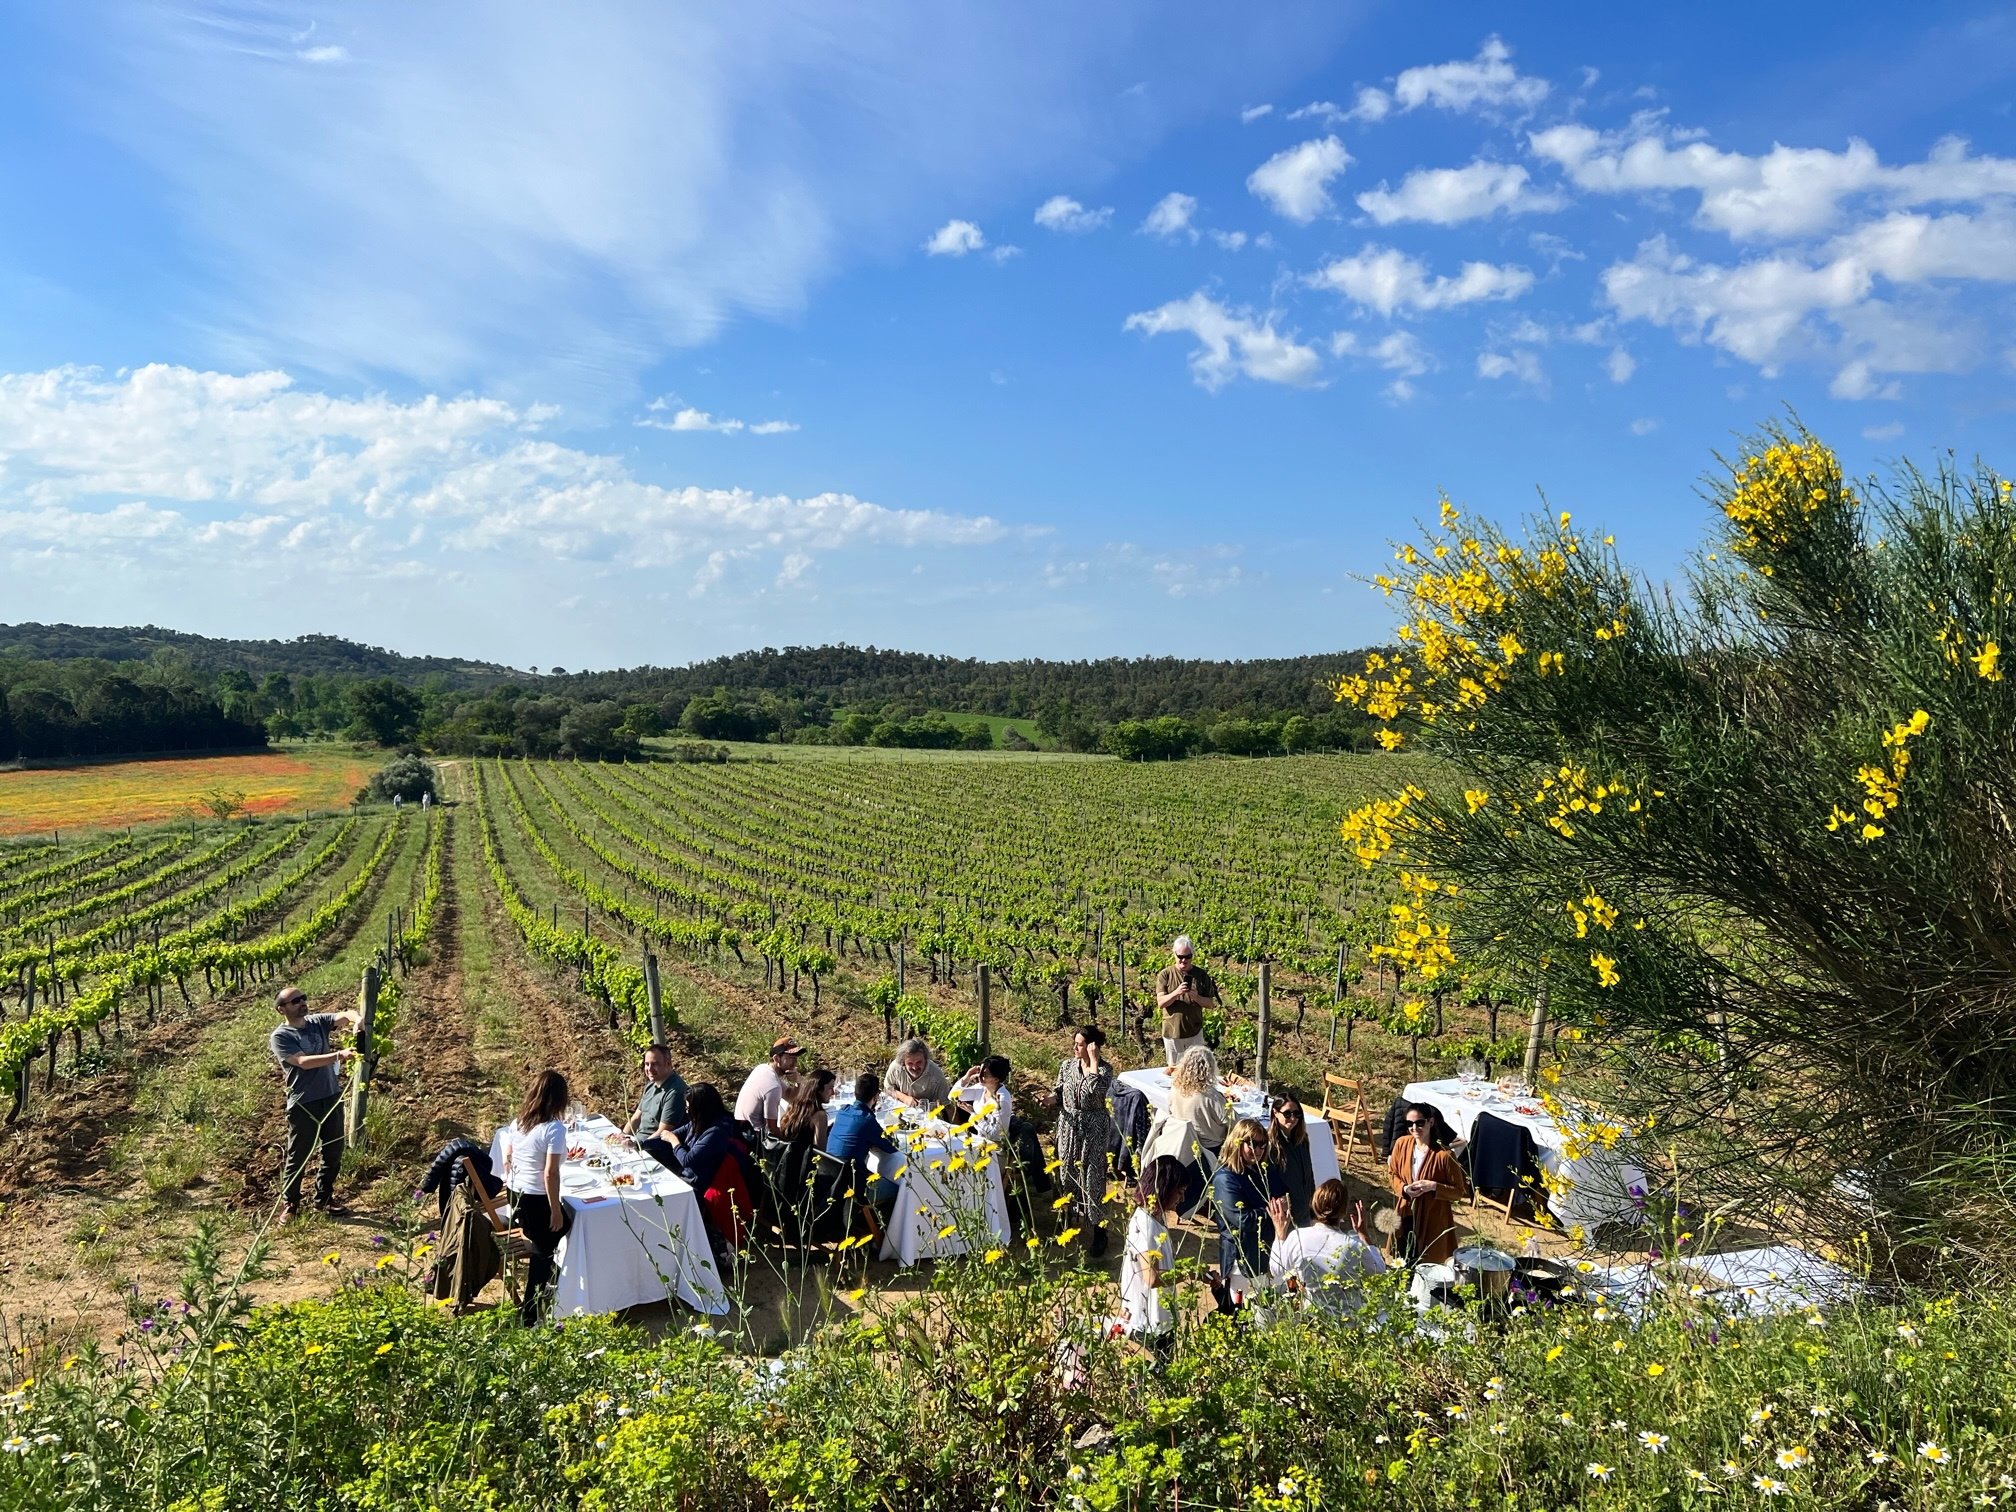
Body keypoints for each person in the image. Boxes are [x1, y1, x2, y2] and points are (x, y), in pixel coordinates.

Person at [267, 985, 361, 1220]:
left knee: (333, 1151)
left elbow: (344, 1015)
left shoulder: (317, 1022)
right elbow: (303, 1062)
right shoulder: (281, 1037)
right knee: (298, 1155)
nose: (302, 1003)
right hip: (304, 1103)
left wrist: (356, 1019)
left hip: (331, 1096)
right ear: (282, 1010)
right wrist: (338, 1055)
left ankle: (324, 1199)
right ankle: (291, 1203)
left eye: (303, 998)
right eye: (295, 1001)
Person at [501, 1068, 572, 1325]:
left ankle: (553, 1271)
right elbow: (550, 1174)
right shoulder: (553, 1129)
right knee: (548, 1244)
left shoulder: (519, 1122)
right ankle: (531, 1314)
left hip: (515, 1194)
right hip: (535, 1198)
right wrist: (554, 1208)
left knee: (561, 1228)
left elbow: (508, 1158)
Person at [1268, 1178, 1387, 1314]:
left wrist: (1280, 1232)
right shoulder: (1353, 1246)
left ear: (1314, 1204)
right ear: (1343, 1211)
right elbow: (1379, 1269)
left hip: (1313, 1319)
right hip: (1347, 1323)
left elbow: (1276, 1269)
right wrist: (1364, 1235)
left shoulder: (1298, 1237)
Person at [663, 1084, 761, 1250]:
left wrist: (674, 1142)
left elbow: (687, 1160)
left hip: (698, 1183)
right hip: (688, 1176)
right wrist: (639, 1144)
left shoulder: (716, 1131)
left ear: (700, 1109)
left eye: (689, 1108)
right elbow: (672, 1134)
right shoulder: (698, 1122)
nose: (687, 1112)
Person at [1137, 1045, 1228, 1215]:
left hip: (1182, 1145)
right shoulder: (1211, 1097)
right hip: (1209, 1150)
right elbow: (1232, 1122)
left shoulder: (1175, 1090)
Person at [1053, 1025, 1116, 1257]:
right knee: (1066, 1171)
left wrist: (1093, 1062)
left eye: (1080, 1044)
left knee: (1092, 1177)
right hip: (1069, 1125)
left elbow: (1092, 1090)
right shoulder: (1066, 1066)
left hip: (1094, 1127)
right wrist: (1051, 1098)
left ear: (1092, 1047)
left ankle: (1100, 1232)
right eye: (1075, 1043)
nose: (1075, 1048)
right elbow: (1060, 1091)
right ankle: (1065, 1219)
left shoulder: (1105, 1071)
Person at [1120, 1156, 1189, 1353]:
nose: (1181, 1199)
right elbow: (1151, 1277)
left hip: (1157, 1318)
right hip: (1148, 1322)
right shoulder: (1145, 1225)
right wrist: (1191, 1274)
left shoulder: (1154, 1219)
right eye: (1180, 1192)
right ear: (1165, 1189)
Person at [1386, 1102, 1468, 1265]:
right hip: (1405, 1212)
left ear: (1430, 1122)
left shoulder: (1444, 1155)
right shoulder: (1402, 1144)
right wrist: (1404, 1188)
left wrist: (1434, 1186)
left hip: (1432, 1217)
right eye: (1410, 1124)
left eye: (1419, 1123)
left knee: (1426, 1260)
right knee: (1402, 1256)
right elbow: (1392, 1173)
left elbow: (1459, 1191)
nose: (1414, 1128)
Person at [1209, 1118, 1275, 1308]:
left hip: (1263, 1256)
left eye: (1263, 1144)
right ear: (1237, 1142)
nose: (1259, 1149)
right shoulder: (1225, 1179)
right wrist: (1271, 1211)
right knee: (1244, 1314)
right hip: (1243, 1261)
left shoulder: (1258, 1171)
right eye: (1252, 1143)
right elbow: (1242, 1220)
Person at [826, 1072, 902, 1207]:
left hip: (829, 1180)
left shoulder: (843, 1111)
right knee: (901, 1185)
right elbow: (891, 1147)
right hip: (853, 1189)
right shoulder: (867, 1120)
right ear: (876, 1097)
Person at [1155, 936, 1219, 1067]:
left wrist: (1196, 997)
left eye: (1187, 956)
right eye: (1180, 956)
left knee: (1196, 1069)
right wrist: (1176, 992)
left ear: (1192, 956)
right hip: (1172, 1033)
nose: (1183, 960)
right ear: (1174, 954)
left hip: (1194, 1033)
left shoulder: (1201, 975)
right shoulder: (1165, 974)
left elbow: (1210, 1004)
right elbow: (1161, 1002)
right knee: (1174, 1070)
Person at [617, 1043, 688, 1153]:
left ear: (668, 1064)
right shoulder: (651, 1084)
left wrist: (638, 1147)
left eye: (655, 1064)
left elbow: (663, 1132)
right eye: (646, 1064)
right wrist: (622, 1137)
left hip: (654, 1151)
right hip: (639, 1144)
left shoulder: (675, 1092)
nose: (649, 1069)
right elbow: (636, 1118)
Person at [734, 1036, 802, 1136]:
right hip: (753, 1138)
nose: (794, 1063)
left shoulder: (762, 1068)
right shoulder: (773, 1086)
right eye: (790, 1058)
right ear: (776, 1058)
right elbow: (771, 1130)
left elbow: (790, 1097)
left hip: (740, 1129)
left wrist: (798, 1082)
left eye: (795, 1058)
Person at [1266, 1095, 1317, 1228]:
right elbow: (1271, 1183)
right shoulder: (1270, 1145)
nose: (1293, 1118)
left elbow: (1309, 1174)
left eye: (1297, 1113)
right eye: (1287, 1114)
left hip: (1305, 1209)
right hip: (1285, 1215)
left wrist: (1314, 1206)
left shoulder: (1302, 1139)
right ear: (1275, 1113)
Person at [954, 1055, 1014, 1145]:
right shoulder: (982, 1088)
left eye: (984, 1075)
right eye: (980, 1072)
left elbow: (993, 1135)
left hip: (995, 1148)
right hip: (980, 1141)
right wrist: (967, 1077)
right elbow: (954, 1096)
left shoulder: (1002, 1101)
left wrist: (973, 1114)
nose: (980, 1077)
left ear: (996, 1079)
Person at [777, 1068, 837, 1149]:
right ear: (819, 1089)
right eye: (830, 1088)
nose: (833, 1093)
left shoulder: (795, 1106)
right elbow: (820, 1151)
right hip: (804, 1159)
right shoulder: (819, 1115)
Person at [885, 1037, 951, 1109]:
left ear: (926, 1060)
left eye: (919, 1062)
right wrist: (904, 1098)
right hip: (901, 1111)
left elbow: (947, 1104)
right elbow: (888, 1088)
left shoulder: (936, 1074)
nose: (914, 1067)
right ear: (903, 1062)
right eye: (910, 1063)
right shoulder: (896, 1067)